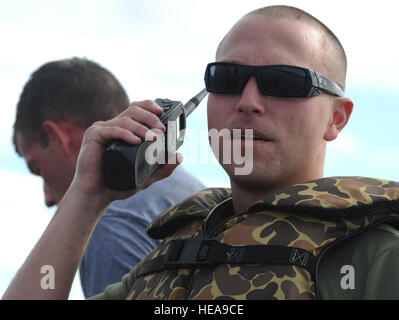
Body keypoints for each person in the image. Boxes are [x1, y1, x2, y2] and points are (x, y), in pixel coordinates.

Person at [3, 5, 399, 300]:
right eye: (226, 79)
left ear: (337, 118)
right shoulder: (166, 262)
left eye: (284, 81)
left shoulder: (377, 257)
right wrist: (86, 198)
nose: (248, 101)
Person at [9, 57, 205, 298]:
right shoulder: (191, 191)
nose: (47, 198)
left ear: (60, 137)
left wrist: (85, 200)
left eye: (37, 169)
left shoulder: (110, 221)